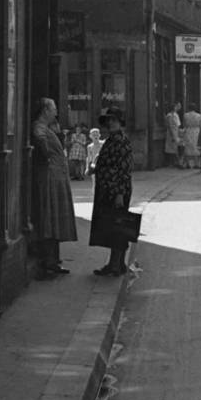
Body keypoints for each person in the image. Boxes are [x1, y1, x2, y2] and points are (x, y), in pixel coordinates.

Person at [30, 98, 78, 278]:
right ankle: (48, 261)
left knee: (55, 218)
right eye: (54, 109)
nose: (56, 113)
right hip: (50, 177)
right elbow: (41, 143)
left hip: (56, 177)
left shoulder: (48, 127)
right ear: (45, 110)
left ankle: (53, 260)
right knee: (50, 218)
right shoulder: (40, 126)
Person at [90, 108, 133, 276]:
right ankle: (117, 263)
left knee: (117, 227)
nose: (111, 123)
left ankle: (115, 264)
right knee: (114, 227)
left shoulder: (121, 140)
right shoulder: (112, 139)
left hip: (115, 190)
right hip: (108, 188)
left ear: (120, 122)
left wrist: (120, 194)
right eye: (109, 121)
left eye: (114, 120)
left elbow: (124, 169)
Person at [183, 104, 201, 168]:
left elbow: (185, 124)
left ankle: (187, 163)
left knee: (188, 147)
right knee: (195, 147)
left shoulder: (185, 115)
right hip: (196, 131)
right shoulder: (199, 116)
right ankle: (196, 163)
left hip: (188, 131)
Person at [164, 102, 183, 167]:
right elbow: (171, 126)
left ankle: (175, 162)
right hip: (173, 132)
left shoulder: (172, 115)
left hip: (174, 132)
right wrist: (173, 134)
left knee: (173, 148)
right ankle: (176, 162)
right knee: (174, 148)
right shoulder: (172, 115)